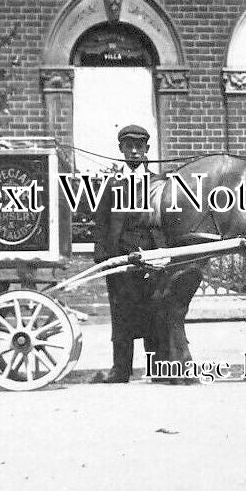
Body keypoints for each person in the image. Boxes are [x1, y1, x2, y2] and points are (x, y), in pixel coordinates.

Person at [91, 125, 200, 384]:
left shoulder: (159, 183)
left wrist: (166, 253)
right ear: (121, 149)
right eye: (129, 146)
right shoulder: (112, 183)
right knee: (122, 315)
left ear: (147, 150)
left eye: (139, 146)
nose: (134, 151)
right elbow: (101, 222)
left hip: (152, 255)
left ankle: (156, 370)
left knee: (156, 311)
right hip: (121, 256)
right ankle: (121, 371)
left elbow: (170, 220)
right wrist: (103, 257)